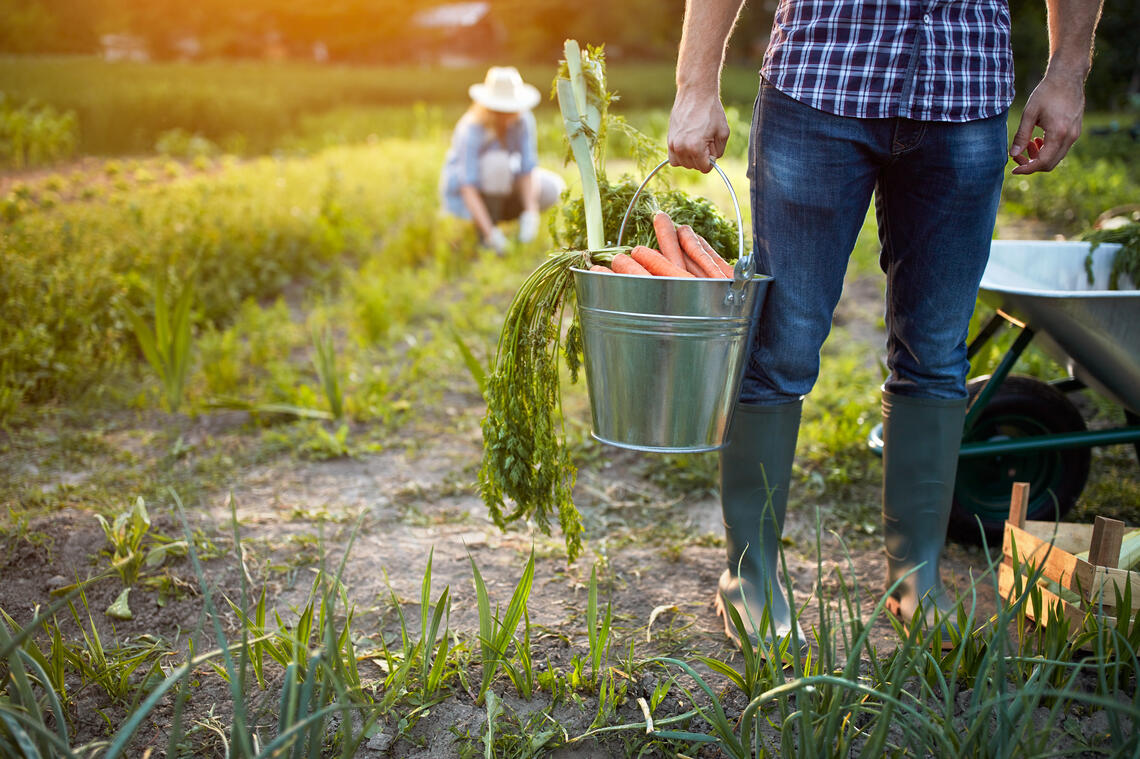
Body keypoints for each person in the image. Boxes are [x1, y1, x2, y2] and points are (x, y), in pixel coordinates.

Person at [667, 0, 1103, 648]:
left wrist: (1069, 69)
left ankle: (916, 580)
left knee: (936, 352)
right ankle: (749, 579)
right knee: (780, 346)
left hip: (965, 87)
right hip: (819, 82)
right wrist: (694, 82)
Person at [440, 66, 566, 253]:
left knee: (552, 187)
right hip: (468, 197)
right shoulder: (471, 129)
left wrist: (531, 213)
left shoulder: (523, 120)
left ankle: (515, 229)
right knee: (496, 164)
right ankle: (486, 233)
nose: (507, 115)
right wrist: (490, 233)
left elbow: (527, 168)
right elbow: (468, 186)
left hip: (503, 185)